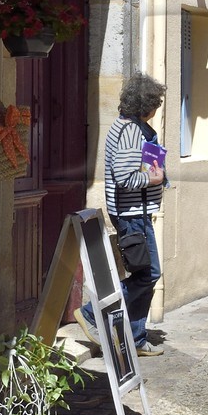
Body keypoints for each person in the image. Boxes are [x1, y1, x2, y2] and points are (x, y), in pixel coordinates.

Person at [75, 72, 167, 357]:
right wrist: (153, 180)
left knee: (144, 274)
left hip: (137, 211)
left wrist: (158, 177)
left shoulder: (132, 127)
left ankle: (136, 338)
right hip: (132, 214)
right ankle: (92, 314)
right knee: (148, 274)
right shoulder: (129, 132)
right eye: (156, 103)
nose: (157, 109)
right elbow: (125, 178)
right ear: (146, 105)